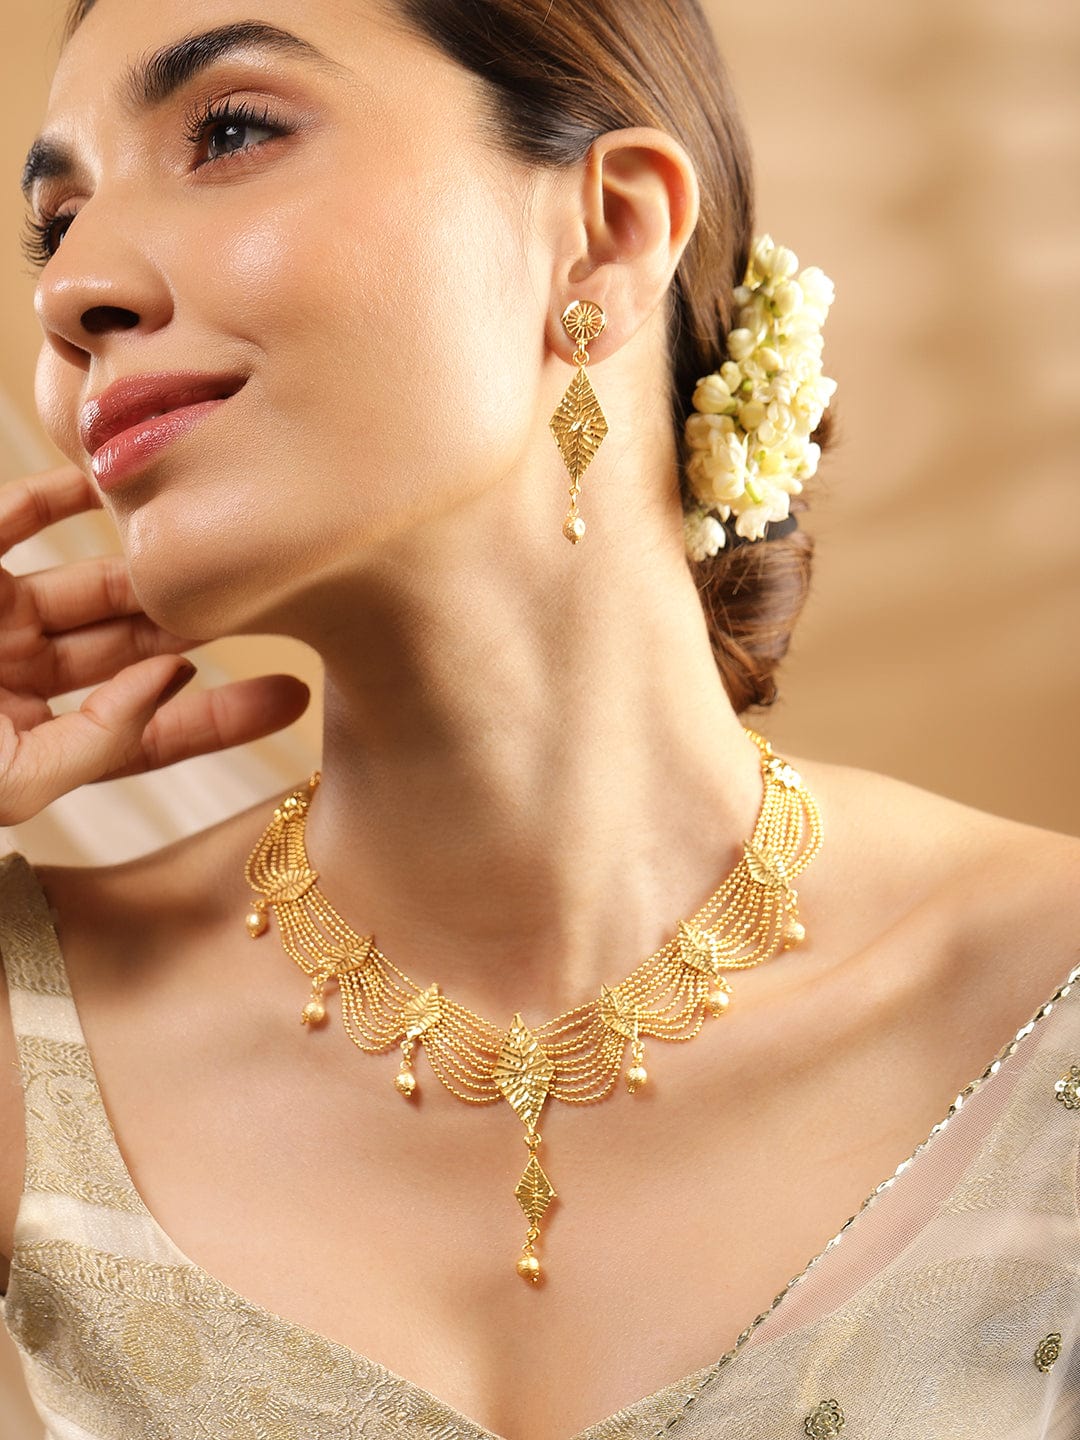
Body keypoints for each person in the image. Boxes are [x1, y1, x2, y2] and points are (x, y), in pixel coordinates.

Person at [0, 0, 1077, 1437]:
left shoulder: (1047, 1002)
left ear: (608, 235)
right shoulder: (30, 1035)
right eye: (55, 222)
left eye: (233, 131)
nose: (72, 291)